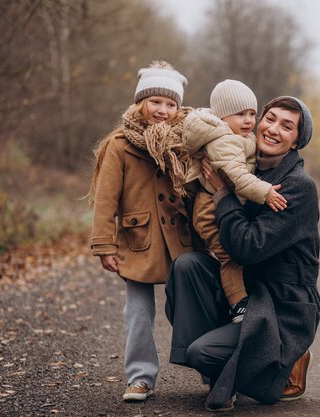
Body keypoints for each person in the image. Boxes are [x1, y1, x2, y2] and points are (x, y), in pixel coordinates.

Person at [165, 96, 320, 412]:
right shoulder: (248, 166)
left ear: (296, 141)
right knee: (187, 267)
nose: (273, 129)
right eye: (270, 118)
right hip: (247, 289)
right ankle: (222, 374)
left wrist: (223, 192)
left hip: (280, 305)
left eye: (286, 126)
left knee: (202, 353)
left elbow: (247, 247)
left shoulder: (297, 186)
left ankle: (286, 364)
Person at [88, 60, 196, 402]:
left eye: (170, 104)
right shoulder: (119, 144)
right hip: (139, 240)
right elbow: (106, 199)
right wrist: (105, 244)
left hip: (182, 240)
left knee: (193, 305)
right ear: (141, 103)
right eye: (155, 102)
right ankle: (140, 376)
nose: (162, 110)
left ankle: (211, 368)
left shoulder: (188, 140)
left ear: (178, 107)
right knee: (137, 312)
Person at [183, 79, 287, 324]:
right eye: (240, 114)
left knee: (230, 254)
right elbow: (237, 177)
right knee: (230, 256)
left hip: (217, 203)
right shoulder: (224, 141)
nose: (249, 120)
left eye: (252, 113)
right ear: (222, 117)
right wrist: (265, 191)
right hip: (209, 208)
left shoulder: (236, 136)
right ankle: (238, 303)